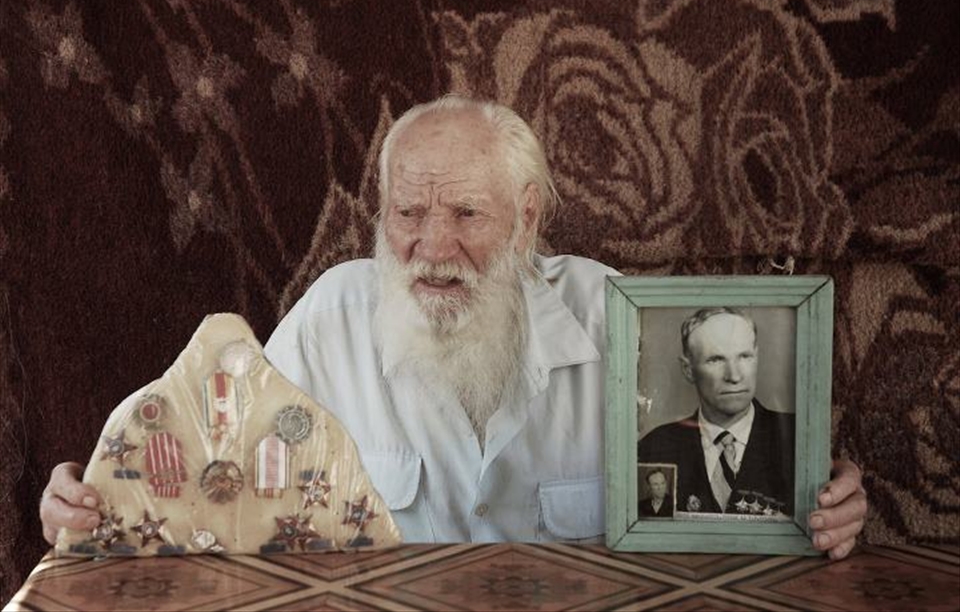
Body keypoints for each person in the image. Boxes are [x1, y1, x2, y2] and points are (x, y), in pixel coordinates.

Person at [39, 95, 867, 557]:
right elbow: (201, 478)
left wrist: (823, 506)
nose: (432, 248)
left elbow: (739, 516)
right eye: (408, 211)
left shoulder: (615, 319)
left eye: (467, 212)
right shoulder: (332, 320)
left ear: (528, 217)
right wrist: (88, 502)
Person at [639, 308, 795, 516]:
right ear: (688, 369)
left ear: (757, 357)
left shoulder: (796, 436)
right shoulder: (655, 446)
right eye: (716, 360)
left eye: (744, 356)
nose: (734, 375)